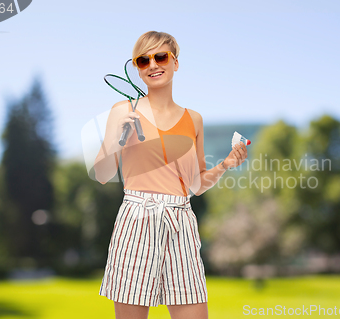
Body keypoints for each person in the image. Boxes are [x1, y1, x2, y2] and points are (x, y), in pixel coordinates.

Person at [94, 31, 248, 319]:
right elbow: (102, 175)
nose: (152, 64)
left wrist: (225, 164)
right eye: (143, 60)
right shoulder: (122, 110)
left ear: (175, 63)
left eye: (160, 56)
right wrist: (115, 138)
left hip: (181, 221)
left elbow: (196, 184)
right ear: (138, 69)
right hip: (137, 219)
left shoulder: (194, 119)